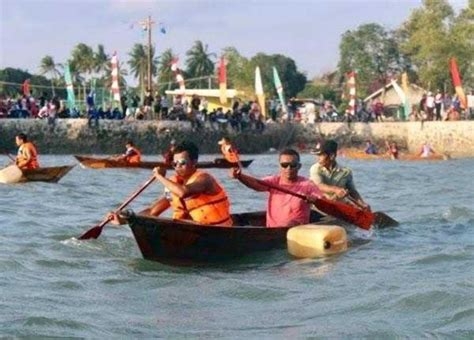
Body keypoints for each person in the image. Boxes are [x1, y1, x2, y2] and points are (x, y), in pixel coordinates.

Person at [109, 141, 233, 227]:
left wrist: (158, 176)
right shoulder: (174, 185)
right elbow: (152, 212)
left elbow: (183, 192)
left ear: (194, 162)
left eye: (182, 162)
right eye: (175, 164)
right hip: (192, 231)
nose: (178, 167)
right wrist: (126, 220)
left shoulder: (205, 179)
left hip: (219, 229)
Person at [231, 148, 322, 228]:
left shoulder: (308, 185)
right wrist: (240, 177)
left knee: (292, 223)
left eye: (293, 165)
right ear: (280, 166)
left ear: (299, 166)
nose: (288, 168)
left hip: (296, 231)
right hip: (272, 231)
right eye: (284, 165)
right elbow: (256, 185)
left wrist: (315, 201)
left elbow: (321, 199)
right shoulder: (273, 181)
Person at [309, 140, 370, 210]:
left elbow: (353, 191)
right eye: (317, 155)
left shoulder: (346, 172)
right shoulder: (315, 168)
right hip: (318, 208)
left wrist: (362, 203)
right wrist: (335, 189)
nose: (317, 158)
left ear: (332, 156)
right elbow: (319, 185)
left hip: (338, 210)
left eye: (321, 155)